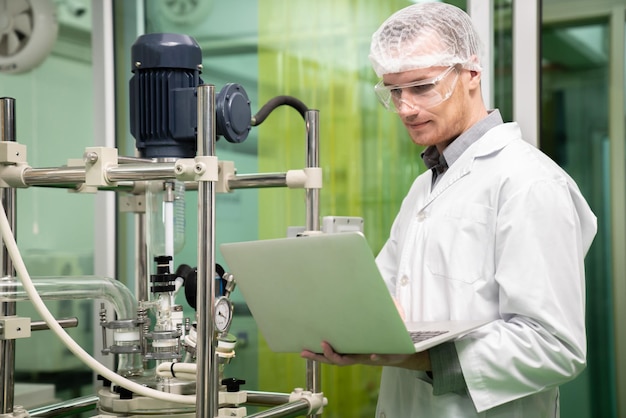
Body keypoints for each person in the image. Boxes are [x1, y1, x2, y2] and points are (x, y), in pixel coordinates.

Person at [301, 2, 598, 417]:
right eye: (394, 91)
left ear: (471, 74)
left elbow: (555, 346)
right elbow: (389, 298)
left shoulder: (528, 181)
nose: (405, 108)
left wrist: (420, 358)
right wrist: (352, 326)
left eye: (421, 88)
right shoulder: (426, 185)